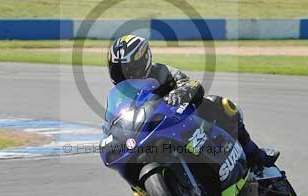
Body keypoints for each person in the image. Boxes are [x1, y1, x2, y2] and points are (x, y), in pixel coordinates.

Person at [107, 34, 279, 168]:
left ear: (142, 61)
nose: (124, 74)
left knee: (222, 104)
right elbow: (112, 120)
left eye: (128, 68)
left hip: (183, 117)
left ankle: (255, 155)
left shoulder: (161, 71)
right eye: (118, 68)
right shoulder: (118, 96)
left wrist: (180, 93)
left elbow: (189, 83)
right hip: (151, 133)